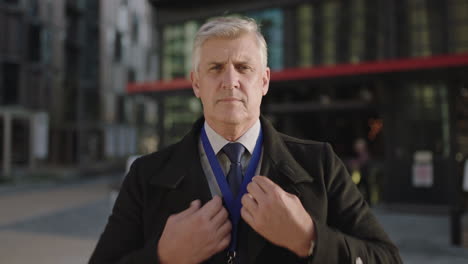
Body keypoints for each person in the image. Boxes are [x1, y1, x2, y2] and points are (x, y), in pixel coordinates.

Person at [89, 16, 402, 264]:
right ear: (197, 83)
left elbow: (387, 258)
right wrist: (162, 258)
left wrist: (309, 239)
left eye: (243, 67)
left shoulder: (320, 164)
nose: (230, 81)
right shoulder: (145, 176)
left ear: (264, 81)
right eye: (215, 69)